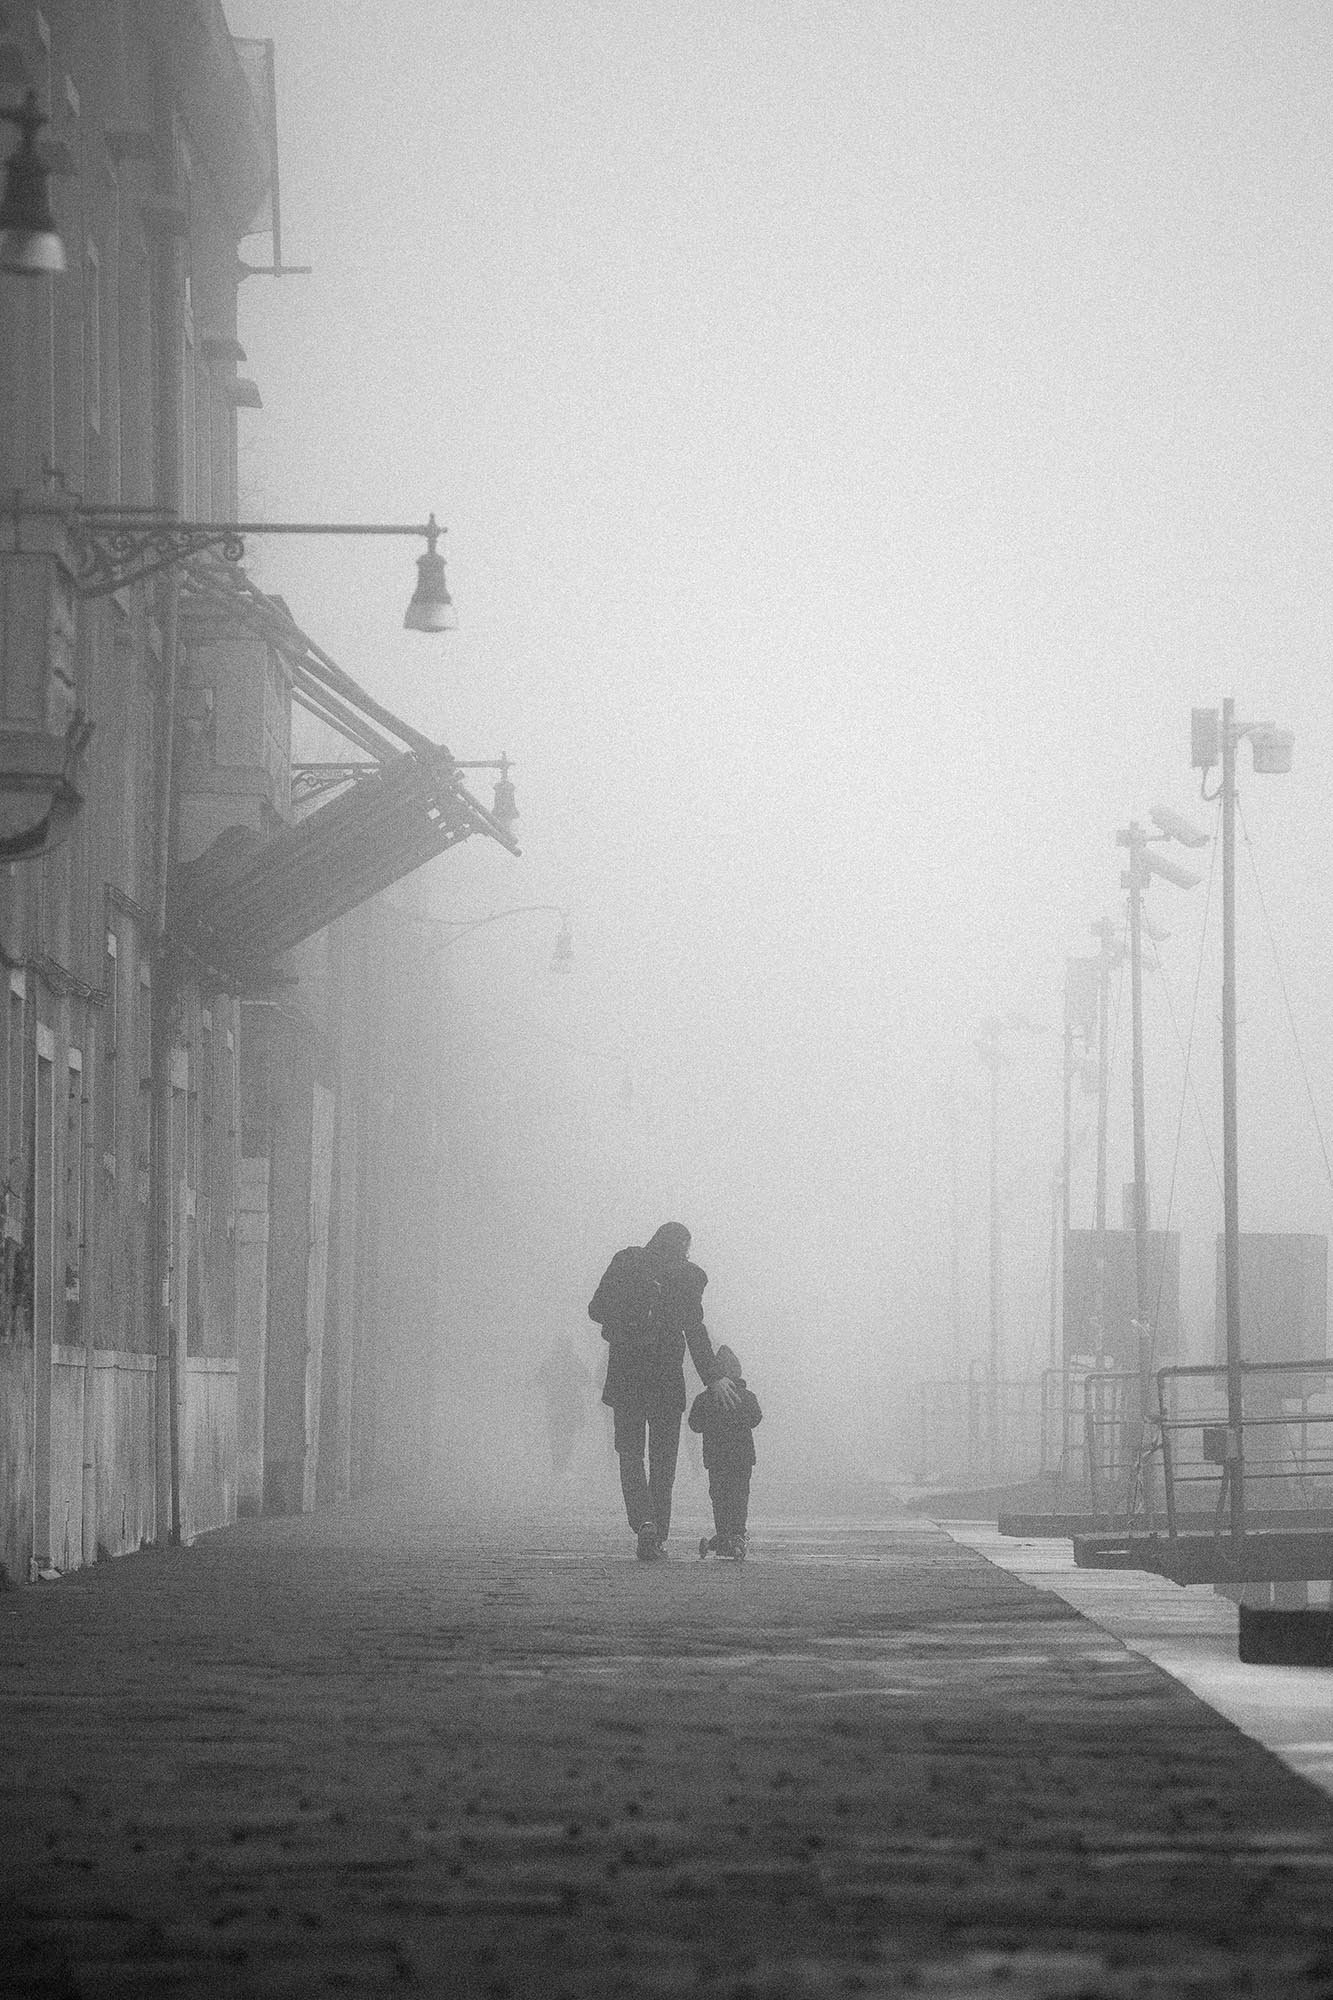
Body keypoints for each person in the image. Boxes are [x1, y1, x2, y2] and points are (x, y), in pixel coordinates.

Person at [588, 1222, 738, 1561]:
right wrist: (713, 1376)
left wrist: (626, 1319)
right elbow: (694, 1330)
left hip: (626, 1375)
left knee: (630, 1454)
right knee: (663, 1460)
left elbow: (596, 1309)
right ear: (683, 1245)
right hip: (666, 1379)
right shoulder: (688, 1276)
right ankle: (658, 1533)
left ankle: (643, 1522)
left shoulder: (625, 1262)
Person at [689, 1343, 762, 1560]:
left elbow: (695, 1424)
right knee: (739, 1495)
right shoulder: (747, 1396)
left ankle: (722, 1535)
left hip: (716, 1458)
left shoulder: (704, 1399)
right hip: (742, 1458)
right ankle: (737, 1534)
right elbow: (756, 1418)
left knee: (719, 1496)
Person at [534, 1334, 591, 1481]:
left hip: (554, 1405)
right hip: (570, 1405)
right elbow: (586, 1378)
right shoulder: (574, 1361)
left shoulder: (550, 1362)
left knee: (556, 1435)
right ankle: (563, 1464)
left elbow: (539, 1379)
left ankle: (558, 1464)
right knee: (567, 1434)